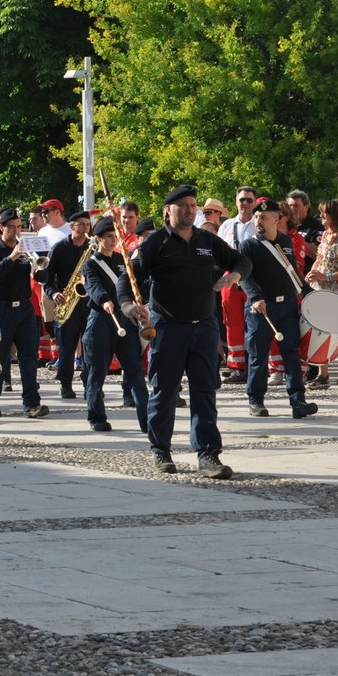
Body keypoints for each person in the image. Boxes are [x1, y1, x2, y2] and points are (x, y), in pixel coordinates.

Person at [120, 185, 250, 479]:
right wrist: (127, 305)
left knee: (205, 391)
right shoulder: (155, 244)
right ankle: (161, 450)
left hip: (204, 327)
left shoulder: (207, 240)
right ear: (168, 210)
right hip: (168, 328)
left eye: (194, 205)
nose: (191, 210)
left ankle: (207, 454)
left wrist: (235, 276)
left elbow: (241, 260)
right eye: (184, 206)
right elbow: (127, 277)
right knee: (165, 392)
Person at [238, 200, 318, 419]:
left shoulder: (285, 241)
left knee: (291, 353)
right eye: (256, 218)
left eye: (263, 217)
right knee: (258, 356)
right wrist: (255, 297)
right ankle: (256, 401)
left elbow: (292, 272)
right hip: (262, 308)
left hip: (287, 305)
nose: (258, 221)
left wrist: (308, 293)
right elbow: (245, 275)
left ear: (276, 219)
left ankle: (298, 401)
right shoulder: (248, 245)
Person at [81, 216, 148, 433]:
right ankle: (97, 416)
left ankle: (147, 419)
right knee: (97, 372)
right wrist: (104, 299)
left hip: (124, 319)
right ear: (99, 239)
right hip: (101, 320)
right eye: (109, 237)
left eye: (115, 237)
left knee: (135, 372)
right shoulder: (90, 264)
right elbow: (92, 286)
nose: (113, 241)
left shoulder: (123, 260)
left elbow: (133, 284)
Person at [0, 208, 48, 419]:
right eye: (12, 227)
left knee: (29, 356)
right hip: (1, 307)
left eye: (19, 227)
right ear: (2, 228)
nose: (17, 231)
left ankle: (31, 403)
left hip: (25, 308)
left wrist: (41, 265)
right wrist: (13, 256)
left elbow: (41, 276)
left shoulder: (26, 249)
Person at [306, 199, 338, 390]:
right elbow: (319, 259)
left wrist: (326, 276)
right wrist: (312, 273)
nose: (320, 217)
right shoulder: (325, 236)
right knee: (321, 331)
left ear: (333, 216)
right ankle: (322, 374)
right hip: (321, 290)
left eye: (324, 214)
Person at [42, 210, 93, 400]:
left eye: (88, 225)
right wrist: (54, 293)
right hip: (66, 302)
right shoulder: (59, 248)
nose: (86, 228)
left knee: (90, 346)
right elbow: (47, 277)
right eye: (82, 224)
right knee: (67, 346)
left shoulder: (91, 247)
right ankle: (65, 384)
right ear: (72, 226)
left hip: (88, 303)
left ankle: (90, 384)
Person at [215, 187, 259, 383]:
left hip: (254, 277)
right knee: (231, 322)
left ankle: (259, 365)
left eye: (249, 200)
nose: (245, 204)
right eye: (242, 200)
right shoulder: (226, 226)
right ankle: (236, 367)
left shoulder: (259, 223)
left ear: (255, 202)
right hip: (230, 277)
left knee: (256, 322)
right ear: (236, 202)